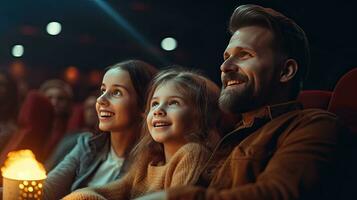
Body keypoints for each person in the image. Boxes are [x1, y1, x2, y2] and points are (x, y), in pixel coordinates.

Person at [137, 4, 344, 200]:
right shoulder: (224, 134)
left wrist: (171, 198)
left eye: (244, 55)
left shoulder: (314, 124)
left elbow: (278, 193)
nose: (225, 66)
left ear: (286, 71)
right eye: (226, 56)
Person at [62, 68, 222, 199]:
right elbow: (108, 190)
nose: (159, 111)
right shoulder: (149, 158)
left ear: (200, 117)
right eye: (154, 104)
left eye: (174, 103)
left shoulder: (193, 152)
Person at [43, 60, 158, 199]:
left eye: (116, 92)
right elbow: (47, 190)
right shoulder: (87, 145)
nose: (101, 100)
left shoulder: (153, 163)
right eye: (103, 90)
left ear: (144, 106)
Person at [39, 79, 74, 158]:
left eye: (60, 98)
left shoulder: (74, 132)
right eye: (49, 98)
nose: (54, 102)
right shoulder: (33, 129)